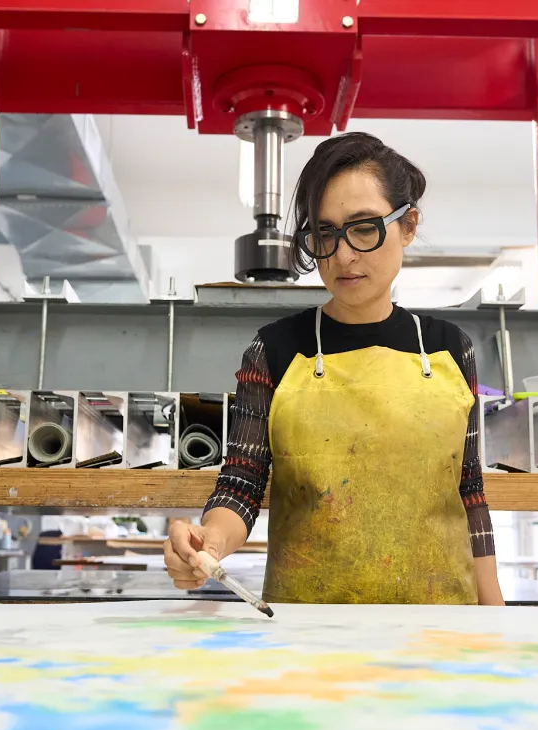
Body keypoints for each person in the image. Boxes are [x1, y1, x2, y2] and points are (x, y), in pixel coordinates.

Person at [164, 132, 504, 605]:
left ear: (407, 226)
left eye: (364, 227)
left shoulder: (449, 349)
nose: (343, 255)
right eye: (325, 233)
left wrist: (496, 620)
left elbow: (469, 493)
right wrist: (210, 542)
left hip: (441, 627)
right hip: (312, 630)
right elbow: (242, 481)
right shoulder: (276, 349)